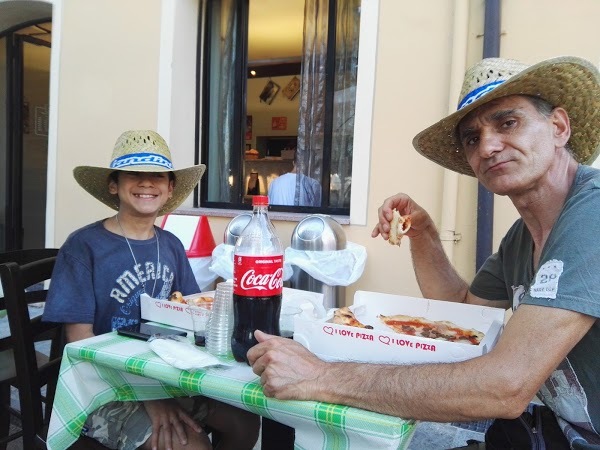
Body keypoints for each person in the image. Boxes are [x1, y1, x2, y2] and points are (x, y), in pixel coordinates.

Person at [247, 56, 600, 447]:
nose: (488, 146)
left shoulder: (592, 215)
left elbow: (506, 386)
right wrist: (424, 234)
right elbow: (461, 309)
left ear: (559, 127)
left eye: (508, 122)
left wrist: (319, 376)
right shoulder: (522, 235)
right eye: (471, 137)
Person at [43, 130, 259, 450]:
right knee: (190, 445)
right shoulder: (85, 246)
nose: (147, 183)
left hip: (161, 375)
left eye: (157, 175)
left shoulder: (169, 244)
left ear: (169, 188)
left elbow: (191, 314)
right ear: (114, 185)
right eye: (135, 174)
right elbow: (80, 341)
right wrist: (146, 397)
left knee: (244, 421)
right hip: (101, 387)